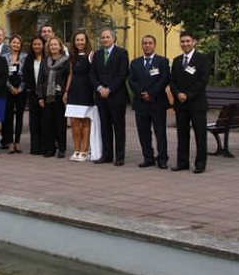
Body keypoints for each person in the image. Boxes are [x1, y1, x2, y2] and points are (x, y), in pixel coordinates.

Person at [170, 31, 211, 174]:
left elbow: (203, 80)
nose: (185, 44)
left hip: (196, 103)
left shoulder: (203, 59)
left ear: (194, 42)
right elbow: (172, 81)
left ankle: (200, 164)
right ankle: (182, 162)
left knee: (200, 135)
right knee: (182, 134)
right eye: (182, 41)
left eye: (188, 41)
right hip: (181, 104)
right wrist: (178, 94)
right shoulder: (176, 60)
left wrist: (187, 94)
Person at [129, 34, 171, 169]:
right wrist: (142, 94)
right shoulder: (135, 63)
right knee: (143, 132)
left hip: (157, 102)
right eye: (145, 43)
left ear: (154, 45)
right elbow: (131, 81)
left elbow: (164, 79)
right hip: (141, 103)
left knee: (160, 132)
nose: (147, 45)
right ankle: (148, 158)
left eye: (150, 43)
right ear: (142, 45)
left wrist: (151, 93)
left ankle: (162, 159)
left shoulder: (162, 61)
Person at [90, 27, 130, 166]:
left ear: (114, 38)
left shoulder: (122, 53)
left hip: (117, 96)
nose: (105, 39)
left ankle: (119, 156)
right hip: (101, 96)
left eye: (108, 37)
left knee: (118, 127)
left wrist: (110, 89)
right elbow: (92, 74)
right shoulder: (98, 54)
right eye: (103, 37)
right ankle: (107, 155)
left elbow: (122, 74)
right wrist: (100, 88)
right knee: (105, 127)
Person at [64, 31, 94, 161]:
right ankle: (76, 150)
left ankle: (84, 151)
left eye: (82, 40)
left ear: (86, 41)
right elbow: (71, 74)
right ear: (74, 42)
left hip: (86, 91)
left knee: (85, 122)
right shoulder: (72, 56)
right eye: (77, 40)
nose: (80, 42)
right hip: (74, 91)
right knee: (74, 122)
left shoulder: (92, 55)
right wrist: (66, 91)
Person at [38, 36, 69, 158]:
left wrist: (67, 94)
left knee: (60, 124)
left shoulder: (66, 61)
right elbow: (40, 80)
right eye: (51, 45)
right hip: (47, 96)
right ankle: (50, 148)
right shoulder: (45, 61)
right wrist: (40, 96)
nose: (53, 47)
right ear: (48, 47)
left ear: (60, 46)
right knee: (48, 124)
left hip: (60, 96)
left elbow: (68, 79)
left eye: (56, 45)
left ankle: (61, 148)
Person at [1, 35, 27, 153]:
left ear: (21, 45)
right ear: (10, 43)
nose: (16, 45)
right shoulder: (4, 57)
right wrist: (11, 88)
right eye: (14, 42)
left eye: (18, 43)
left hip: (21, 89)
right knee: (9, 116)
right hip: (8, 89)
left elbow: (27, 75)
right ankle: (10, 142)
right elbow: (3, 75)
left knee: (20, 116)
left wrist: (20, 88)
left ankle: (17, 142)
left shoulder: (25, 57)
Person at [23, 36, 47, 155]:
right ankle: (35, 147)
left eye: (39, 44)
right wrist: (33, 89)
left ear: (43, 45)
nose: (37, 46)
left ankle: (45, 146)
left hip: (46, 93)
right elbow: (26, 75)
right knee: (34, 120)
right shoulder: (28, 58)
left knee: (45, 120)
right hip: (33, 93)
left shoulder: (47, 58)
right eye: (35, 44)